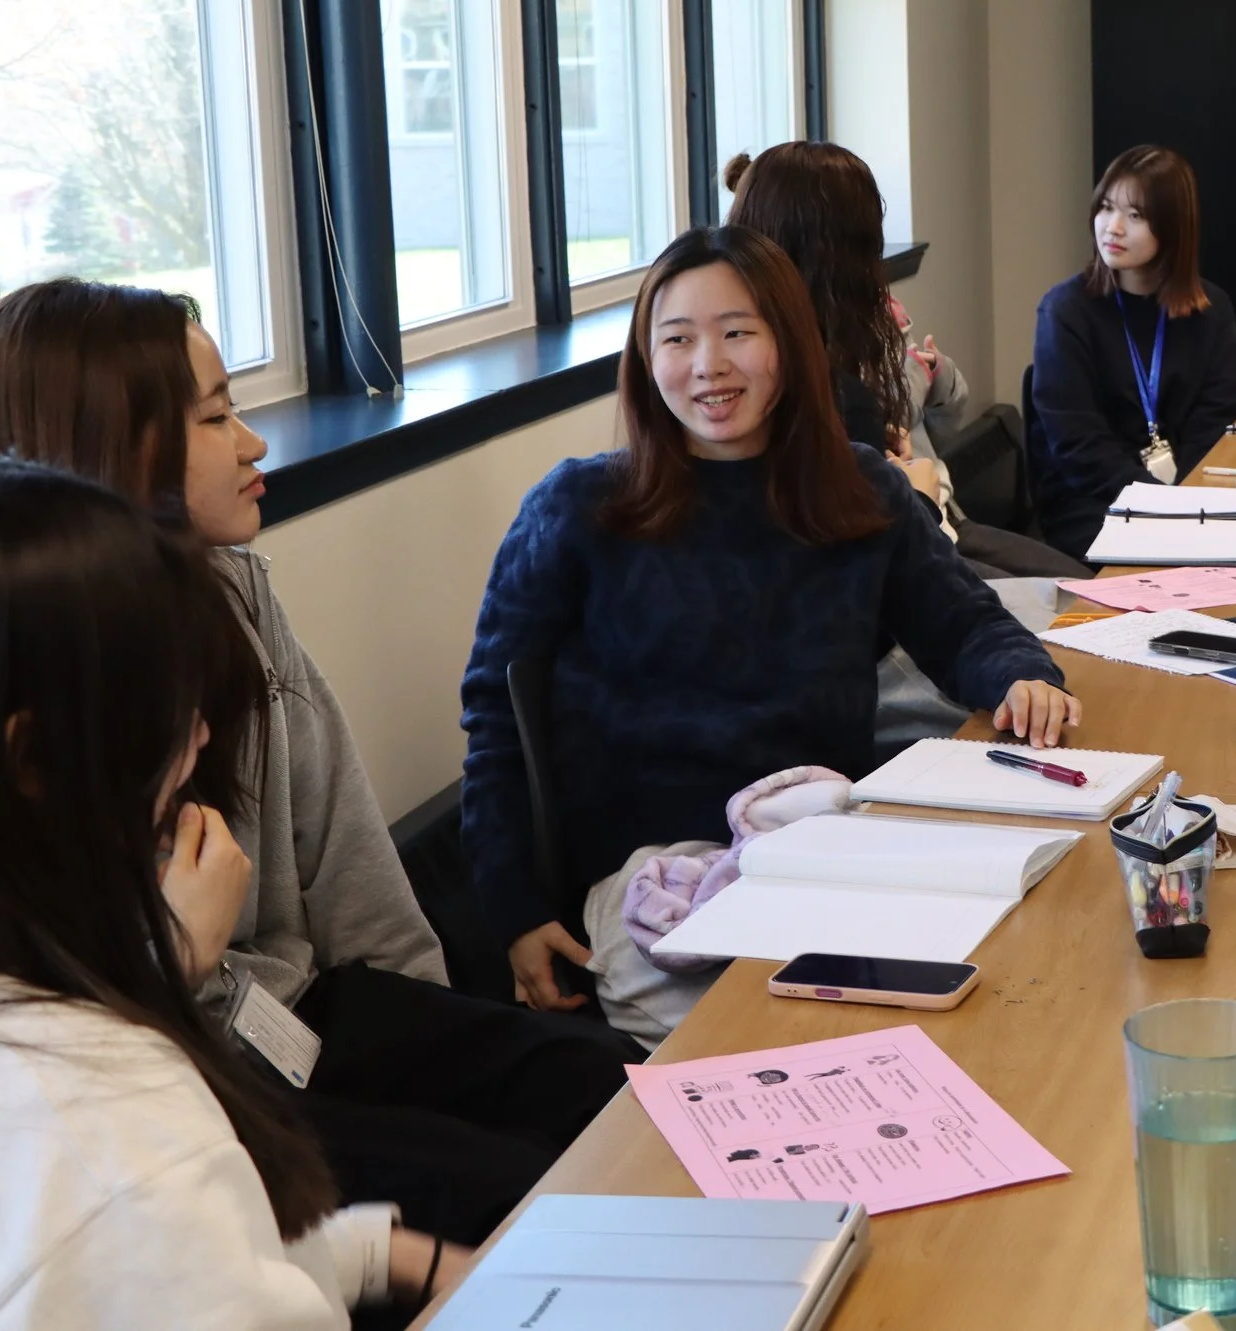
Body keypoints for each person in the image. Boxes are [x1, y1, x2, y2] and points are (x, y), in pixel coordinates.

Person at [0, 280, 637, 1248]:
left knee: (610, 1085)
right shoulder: (17, 696)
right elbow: (70, 1052)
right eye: (216, 416)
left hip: (297, 1011)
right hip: (180, 1079)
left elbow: (343, 846)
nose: (255, 442)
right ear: (109, 449)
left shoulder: (236, 598)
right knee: (515, 1196)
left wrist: (437, 1026)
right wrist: (177, 956)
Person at [0, 456, 467, 1328]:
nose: (199, 734)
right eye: (160, 704)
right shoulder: (102, 1123)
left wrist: (374, 1251)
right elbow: (133, 1224)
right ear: (33, 756)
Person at [461, 225, 1080, 1024]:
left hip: (816, 848)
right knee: (779, 1048)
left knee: (994, 995)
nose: (708, 364)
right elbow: (495, 717)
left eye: (737, 333)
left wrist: (1022, 677)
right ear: (646, 360)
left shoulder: (857, 489)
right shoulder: (579, 507)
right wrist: (513, 909)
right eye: (677, 339)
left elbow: (963, 622)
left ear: (787, 345)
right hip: (655, 877)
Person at [725, 142, 1085, 579]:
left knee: (1086, 589)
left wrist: (931, 377)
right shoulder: (777, 361)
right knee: (1063, 608)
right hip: (903, 544)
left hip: (935, 521)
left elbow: (936, 427)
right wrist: (910, 483)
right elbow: (869, 543)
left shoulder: (869, 321)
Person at [1028, 144, 1236, 562]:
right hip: (1095, 503)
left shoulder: (1211, 310)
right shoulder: (1065, 310)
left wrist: (1185, 500)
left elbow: (1217, 420)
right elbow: (1078, 445)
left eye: (1135, 216)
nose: (1113, 228)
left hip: (1189, 496)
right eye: (1106, 207)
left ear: (1173, 227)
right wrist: (1161, 505)